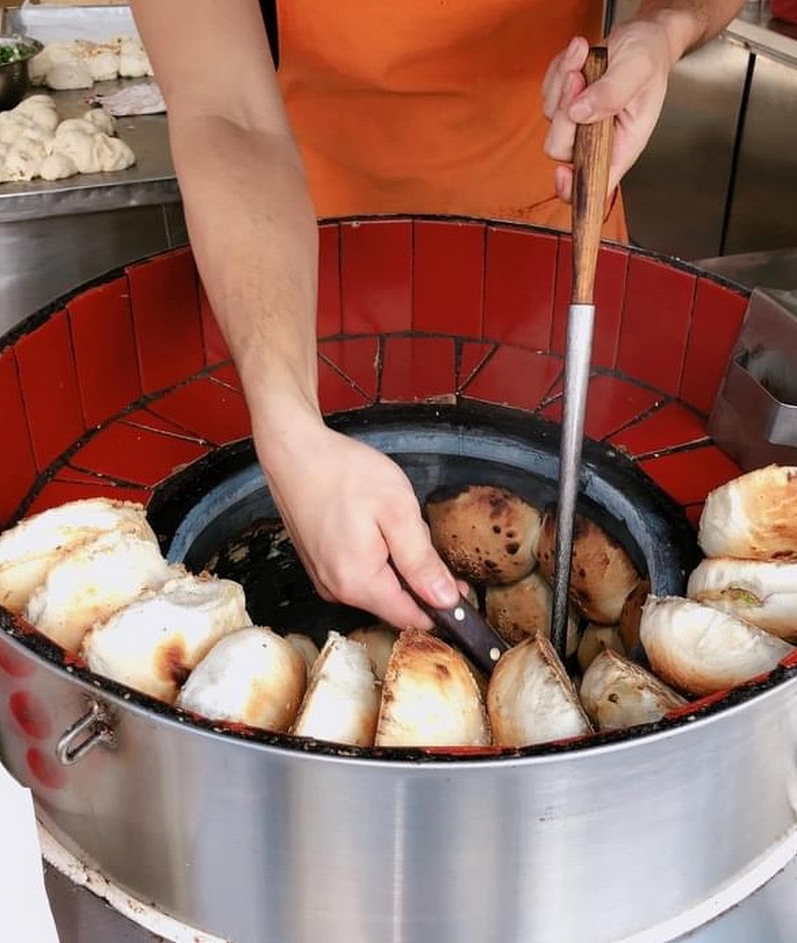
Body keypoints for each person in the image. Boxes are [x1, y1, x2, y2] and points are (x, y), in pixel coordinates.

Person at [131, 0, 745, 632]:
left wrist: (665, 27)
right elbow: (226, 111)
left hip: (552, 233)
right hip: (300, 257)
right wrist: (287, 425)